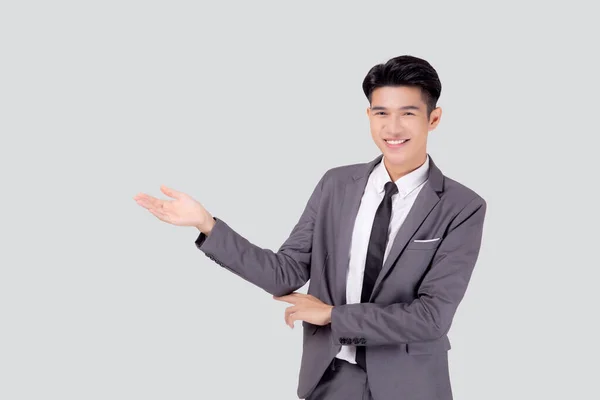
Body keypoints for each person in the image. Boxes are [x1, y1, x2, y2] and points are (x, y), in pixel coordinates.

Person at [133, 54, 487, 400]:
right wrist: (206, 224)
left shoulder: (462, 206)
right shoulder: (336, 185)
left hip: (410, 385)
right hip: (331, 378)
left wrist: (334, 316)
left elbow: (431, 317)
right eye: (381, 113)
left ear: (434, 118)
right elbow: (285, 273)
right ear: (368, 115)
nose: (392, 128)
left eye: (407, 113)